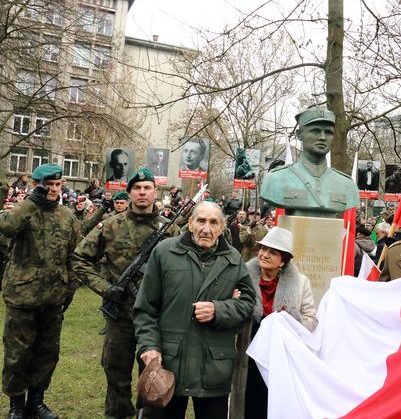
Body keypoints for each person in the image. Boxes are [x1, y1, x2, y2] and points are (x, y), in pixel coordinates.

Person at [72, 168, 181, 419]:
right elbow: (80, 259)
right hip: (120, 317)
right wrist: (106, 288)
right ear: (130, 192)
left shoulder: (171, 231)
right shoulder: (111, 225)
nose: (142, 192)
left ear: (156, 192)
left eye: (147, 188)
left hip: (156, 320)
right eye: (137, 188)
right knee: (116, 377)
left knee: (154, 380)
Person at [134, 201, 255, 419]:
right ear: (190, 223)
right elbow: (145, 308)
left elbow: (248, 302)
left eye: (213, 222)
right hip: (169, 365)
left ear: (222, 227)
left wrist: (218, 310)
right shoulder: (164, 253)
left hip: (214, 367)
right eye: (201, 220)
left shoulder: (233, 259)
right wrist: (149, 346)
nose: (206, 228)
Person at [0, 164, 80, 419]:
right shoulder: (22, 212)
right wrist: (30, 202)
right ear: (36, 185)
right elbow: (7, 228)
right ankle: (17, 406)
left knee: (46, 354)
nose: (54, 190)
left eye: (58, 185)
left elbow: (74, 256)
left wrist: (71, 287)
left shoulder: (67, 216)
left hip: (53, 297)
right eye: (49, 185)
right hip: (22, 297)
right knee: (17, 355)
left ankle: (36, 403)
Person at [244, 227, 317, 419]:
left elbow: (311, 320)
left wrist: (290, 318)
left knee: (277, 407)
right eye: (263, 249)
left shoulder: (301, 283)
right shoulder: (242, 278)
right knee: (249, 406)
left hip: (281, 359)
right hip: (249, 357)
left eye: (272, 252)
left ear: (283, 261)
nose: (264, 255)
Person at [260, 106, 360, 218]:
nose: (322, 137)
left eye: (328, 132)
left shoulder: (347, 184)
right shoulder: (276, 178)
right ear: (299, 134)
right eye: (315, 131)